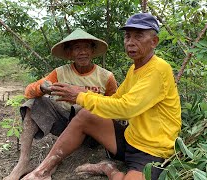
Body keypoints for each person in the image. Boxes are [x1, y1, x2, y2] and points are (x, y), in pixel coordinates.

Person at [22, 13, 182, 180]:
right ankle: (42, 171)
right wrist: (49, 89)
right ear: (70, 53)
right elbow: (116, 100)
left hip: (152, 150)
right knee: (86, 115)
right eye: (127, 36)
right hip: (130, 139)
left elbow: (125, 108)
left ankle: (109, 169)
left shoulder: (155, 70)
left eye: (138, 36)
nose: (130, 42)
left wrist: (80, 95)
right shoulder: (61, 72)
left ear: (154, 42)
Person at [4, 28, 118, 180]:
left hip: (92, 130)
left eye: (86, 47)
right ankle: (23, 162)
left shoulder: (106, 77)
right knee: (33, 103)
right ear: (70, 53)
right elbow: (28, 92)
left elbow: (115, 107)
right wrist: (42, 88)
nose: (82, 52)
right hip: (63, 122)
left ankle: (51, 163)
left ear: (92, 50)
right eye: (77, 48)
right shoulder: (60, 73)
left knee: (81, 108)